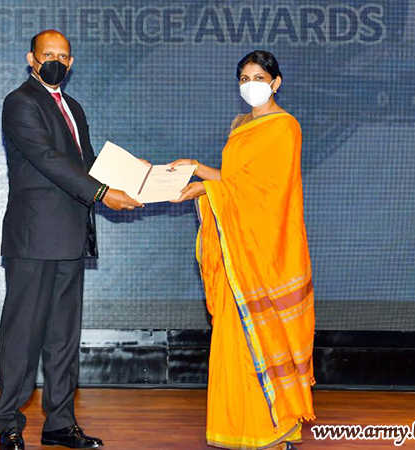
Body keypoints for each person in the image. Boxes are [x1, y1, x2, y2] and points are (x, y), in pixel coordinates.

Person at [0, 30, 143, 450]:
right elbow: (47, 159)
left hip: (72, 236)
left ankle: (60, 422)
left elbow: (87, 162)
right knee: (23, 334)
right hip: (34, 237)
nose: (56, 62)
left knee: (63, 336)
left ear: (71, 62)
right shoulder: (20, 101)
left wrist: (137, 175)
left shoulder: (73, 106)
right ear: (32, 59)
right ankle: (8, 421)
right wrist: (102, 192)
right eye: (48, 55)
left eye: (63, 56)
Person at [170, 50, 315, 450]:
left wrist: (205, 188)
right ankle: (236, 427)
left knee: (267, 338)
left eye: (258, 78)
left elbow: (268, 192)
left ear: (276, 82)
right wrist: (196, 168)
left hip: (266, 250)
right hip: (238, 249)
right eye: (244, 79)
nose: (251, 85)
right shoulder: (240, 127)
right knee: (234, 338)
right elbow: (234, 182)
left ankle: (273, 429)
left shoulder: (285, 127)